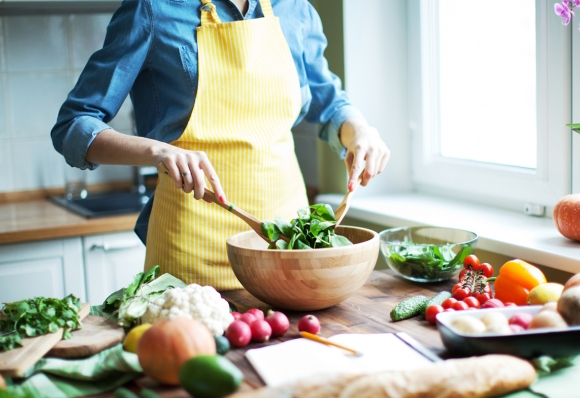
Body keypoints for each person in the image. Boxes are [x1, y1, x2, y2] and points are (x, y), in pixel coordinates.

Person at [51, 0, 390, 290]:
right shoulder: (152, 8)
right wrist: (157, 151)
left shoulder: (294, 7)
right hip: (192, 249)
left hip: (289, 245)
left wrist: (359, 130)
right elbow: (74, 124)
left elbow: (328, 101)